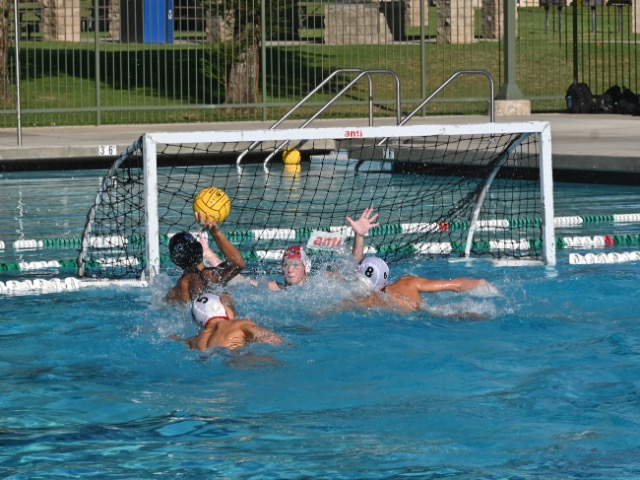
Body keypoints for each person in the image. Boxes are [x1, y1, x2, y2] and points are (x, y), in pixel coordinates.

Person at [354, 255, 495, 312]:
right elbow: (457, 285)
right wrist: (480, 283)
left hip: (427, 322)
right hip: (440, 313)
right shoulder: (408, 282)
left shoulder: (370, 300)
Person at [165, 212, 246, 304]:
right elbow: (238, 263)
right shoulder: (207, 277)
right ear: (200, 248)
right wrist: (215, 233)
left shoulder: (173, 293)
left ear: (175, 261)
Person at [171, 292, 282, 351]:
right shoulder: (239, 324)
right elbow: (272, 338)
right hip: (239, 360)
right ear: (222, 308)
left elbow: (176, 340)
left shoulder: (195, 341)